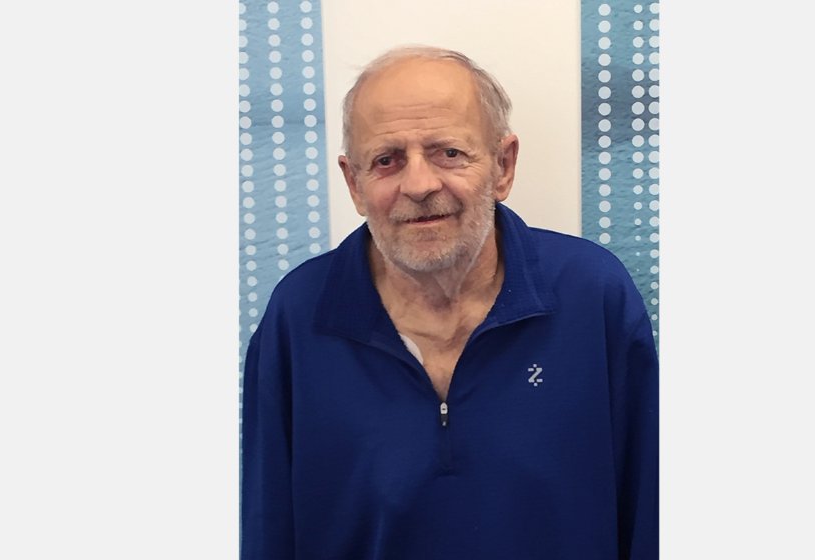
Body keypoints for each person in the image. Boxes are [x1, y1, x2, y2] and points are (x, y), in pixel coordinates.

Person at [241, 46, 658, 560]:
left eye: (449, 153)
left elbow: (651, 513)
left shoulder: (593, 295)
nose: (419, 185)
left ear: (503, 165)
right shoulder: (299, 316)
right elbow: (268, 528)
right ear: (354, 183)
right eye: (387, 160)